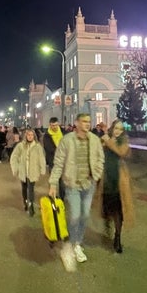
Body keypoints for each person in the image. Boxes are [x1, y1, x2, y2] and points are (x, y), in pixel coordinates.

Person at [48, 112, 104, 270]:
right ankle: (72, 245)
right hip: (72, 184)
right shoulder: (67, 140)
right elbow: (58, 163)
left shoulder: (94, 140)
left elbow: (100, 158)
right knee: (75, 215)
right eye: (84, 121)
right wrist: (53, 183)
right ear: (77, 123)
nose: (87, 124)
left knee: (85, 215)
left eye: (89, 121)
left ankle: (77, 242)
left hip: (89, 184)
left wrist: (97, 174)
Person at [96, 119, 134, 253]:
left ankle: (117, 238)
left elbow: (121, 152)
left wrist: (107, 138)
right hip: (106, 179)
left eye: (120, 129)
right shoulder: (105, 140)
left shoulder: (122, 142)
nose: (118, 131)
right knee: (107, 208)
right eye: (116, 128)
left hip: (119, 180)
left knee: (119, 211)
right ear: (113, 128)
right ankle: (107, 222)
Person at [9, 127, 47, 216]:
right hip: (23, 171)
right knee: (24, 189)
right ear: (25, 136)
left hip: (33, 171)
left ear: (34, 136)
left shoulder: (37, 147)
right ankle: (25, 202)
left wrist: (42, 169)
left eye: (31, 135)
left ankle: (31, 206)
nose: (30, 137)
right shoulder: (20, 146)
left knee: (31, 189)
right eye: (28, 135)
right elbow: (14, 157)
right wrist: (15, 168)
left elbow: (41, 158)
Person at [43, 117, 65, 198]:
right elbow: (48, 148)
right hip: (53, 161)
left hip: (63, 161)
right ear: (50, 125)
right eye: (52, 125)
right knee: (53, 181)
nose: (54, 127)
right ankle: (53, 198)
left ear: (58, 124)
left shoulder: (63, 132)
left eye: (56, 125)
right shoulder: (47, 135)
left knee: (62, 182)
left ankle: (62, 198)